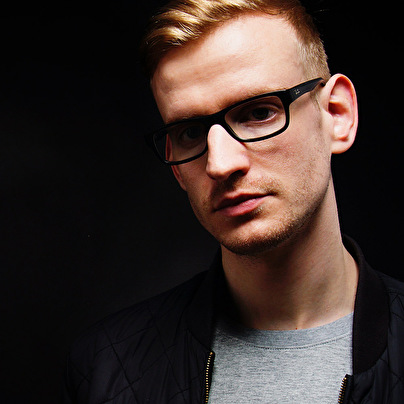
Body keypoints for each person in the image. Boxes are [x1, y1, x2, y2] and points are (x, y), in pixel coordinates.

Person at [63, 0, 404, 403]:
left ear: (337, 114)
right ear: (175, 166)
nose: (220, 164)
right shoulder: (104, 368)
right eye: (191, 133)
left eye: (258, 113)